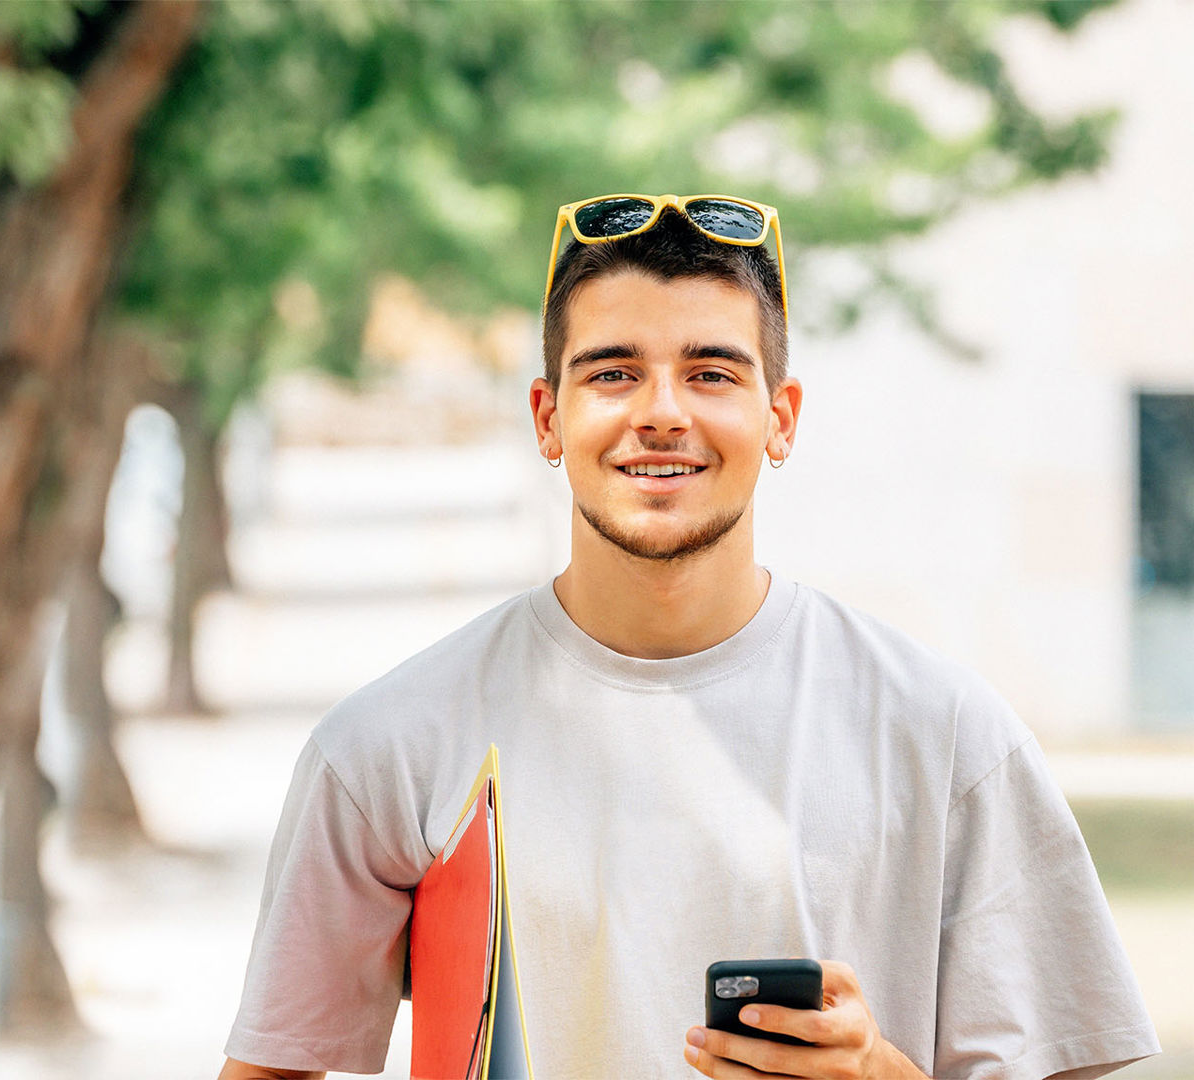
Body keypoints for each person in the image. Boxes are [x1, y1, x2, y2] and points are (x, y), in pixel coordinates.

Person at [217, 195, 1159, 1080]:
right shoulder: (386, 746)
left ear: (779, 418)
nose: (661, 411)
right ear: (548, 417)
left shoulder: (949, 737)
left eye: (711, 373)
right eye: (613, 372)